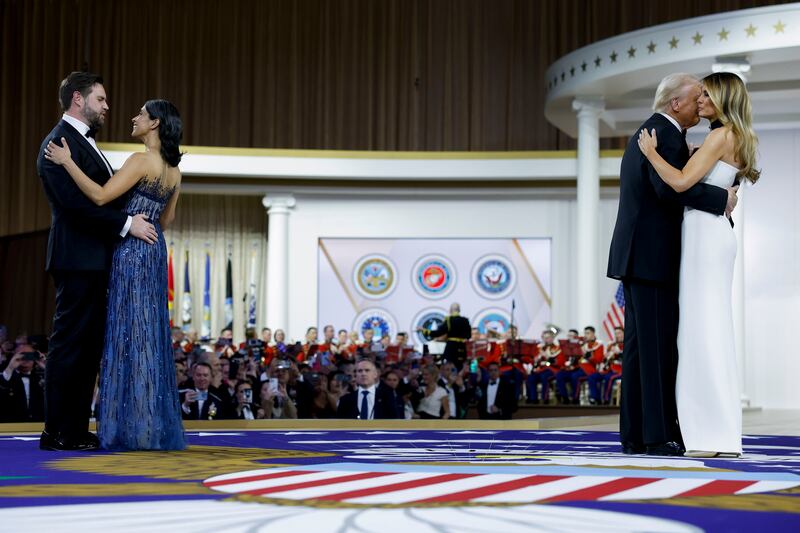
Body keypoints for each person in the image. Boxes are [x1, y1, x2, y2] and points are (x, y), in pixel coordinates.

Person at [607, 73, 739, 457]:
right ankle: (657, 436)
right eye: (695, 96)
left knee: (638, 350)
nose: (700, 102)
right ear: (674, 104)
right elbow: (670, 187)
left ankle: (635, 434)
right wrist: (721, 199)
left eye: (705, 96)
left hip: (640, 257)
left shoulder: (662, 133)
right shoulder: (660, 135)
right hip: (651, 259)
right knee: (656, 350)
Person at [45, 96, 186, 450]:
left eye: (140, 113)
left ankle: (126, 427)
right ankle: (149, 426)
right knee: (148, 335)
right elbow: (166, 221)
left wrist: (67, 161)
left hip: (131, 254)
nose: (133, 116)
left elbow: (99, 195)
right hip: (154, 251)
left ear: (154, 123)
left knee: (127, 336)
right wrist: (145, 219)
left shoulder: (140, 161)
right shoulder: (174, 170)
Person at [637, 72, 759, 458]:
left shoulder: (719, 136)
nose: (701, 100)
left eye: (707, 94)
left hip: (706, 238)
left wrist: (652, 153)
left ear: (723, 98)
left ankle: (709, 432)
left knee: (700, 332)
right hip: (712, 234)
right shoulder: (732, 137)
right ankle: (715, 431)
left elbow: (680, 183)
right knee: (708, 329)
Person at [337, 359, 401, 419]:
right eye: (360, 371)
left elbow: (395, 420)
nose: (363, 374)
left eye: (367, 370)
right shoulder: (345, 400)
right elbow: (339, 424)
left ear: (375, 374)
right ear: (356, 375)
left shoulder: (387, 396)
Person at [418, 302, 471, 368]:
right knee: (460, 366)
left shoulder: (449, 320)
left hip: (451, 347)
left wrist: (424, 330)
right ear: (459, 310)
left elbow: (438, 333)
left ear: (450, 310)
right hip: (461, 348)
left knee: (448, 366)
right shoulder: (465, 320)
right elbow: (469, 336)